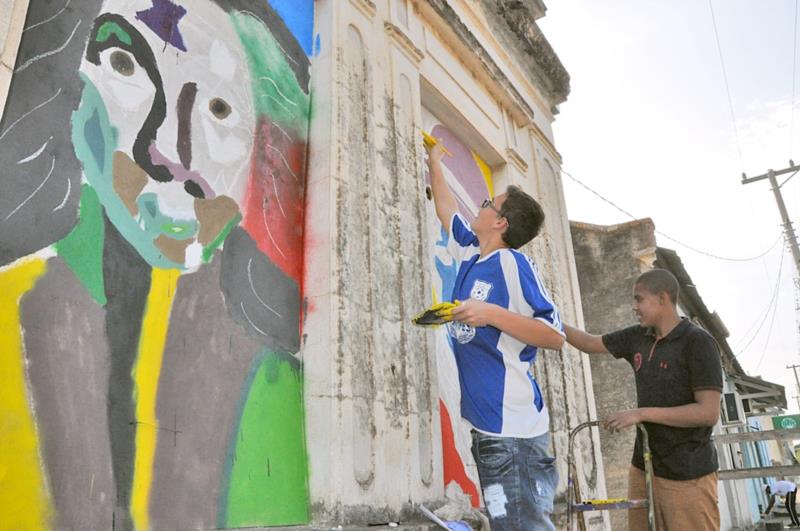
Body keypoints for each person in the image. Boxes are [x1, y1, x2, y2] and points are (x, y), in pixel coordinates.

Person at [426, 141, 565, 530]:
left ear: (500, 222)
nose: (481, 205)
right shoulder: (471, 254)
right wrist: (433, 162)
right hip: (490, 428)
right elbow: (446, 210)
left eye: (488, 202)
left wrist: (491, 313)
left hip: (515, 433)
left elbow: (553, 335)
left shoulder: (512, 263)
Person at [564, 268, 723, 531]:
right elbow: (589, 343)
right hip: (644, 465)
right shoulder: (638, 336)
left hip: (687, 472)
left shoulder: (698, 342)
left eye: (639, 299)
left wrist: (641, 413)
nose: (634, 306)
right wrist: (547, 317)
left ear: (662, 298)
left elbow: (708, 413)